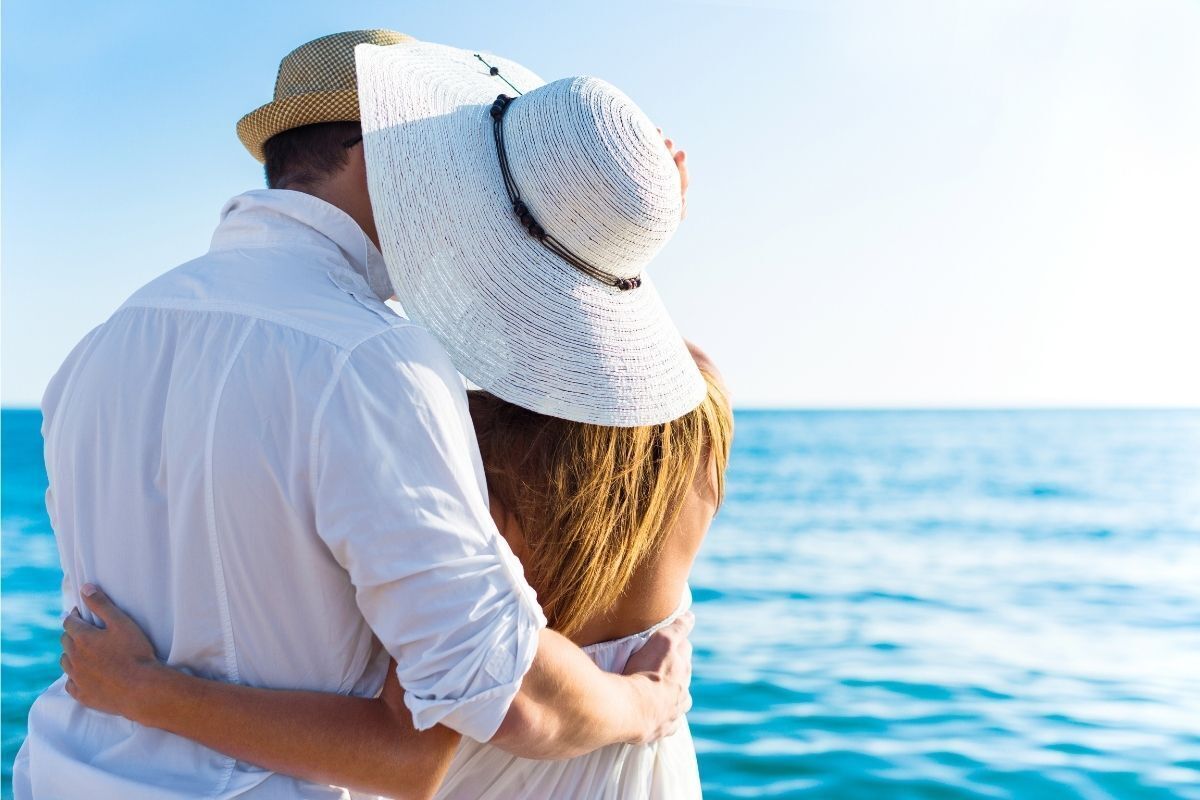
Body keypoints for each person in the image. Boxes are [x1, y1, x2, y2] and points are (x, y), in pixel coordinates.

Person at [15, 32, 698, 800]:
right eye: (451, 161)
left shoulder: (97, 349)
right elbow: (496, 699)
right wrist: (646, 705)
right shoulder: (374, 365)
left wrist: (144, 691)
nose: (464, 195)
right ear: (379, 158)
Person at [59, 352, 732, 798]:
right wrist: (647, 703)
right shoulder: (699, 411)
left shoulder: (485, 443)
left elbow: (403, 753)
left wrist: (145, 692)